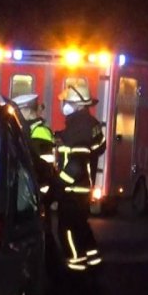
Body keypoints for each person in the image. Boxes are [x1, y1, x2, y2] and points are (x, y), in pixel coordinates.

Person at [55, 84, 105, 270]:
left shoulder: (78, 128)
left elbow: (75, 165)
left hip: (72, 188)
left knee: (67, 229)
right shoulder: (91, 125)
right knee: (81, 226)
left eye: (66, 101)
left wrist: (58, 184)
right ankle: (93, 260)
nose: (63, 105)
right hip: (83, 187)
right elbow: (99, 147)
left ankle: (75, 266)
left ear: (77, 104)